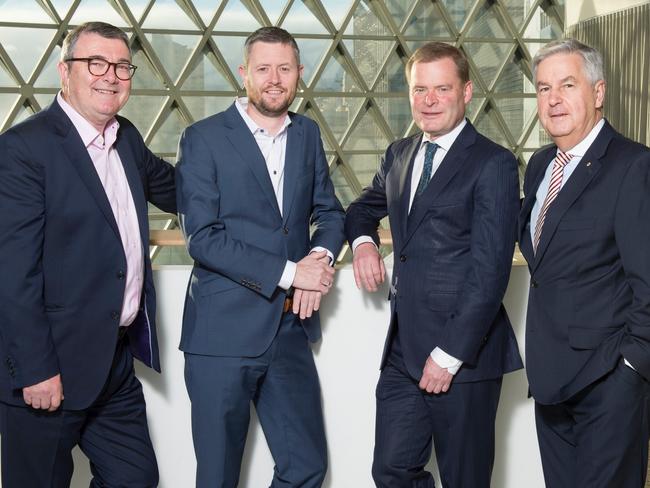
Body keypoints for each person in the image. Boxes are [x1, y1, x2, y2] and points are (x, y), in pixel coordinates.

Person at [0, 21, 176, 488]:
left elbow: (180, 191)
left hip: (113, 366)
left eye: (121, 66)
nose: (110, 76)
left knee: (135, 478)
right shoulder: (23, 149)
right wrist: (36, 370)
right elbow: (12, 273)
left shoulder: (128, 138)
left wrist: (238, 140)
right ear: (65, 71)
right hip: (48, 367)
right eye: (95, 63)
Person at [345, 42, 523, 488]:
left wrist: (448, 356)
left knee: (465, 478)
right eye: (419, 89)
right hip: (404, 351)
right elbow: (360, 211)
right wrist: (365, 243)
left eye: (441, 88)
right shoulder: (399, 155)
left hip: (463, 352)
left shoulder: (494, 164)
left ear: (466, 92)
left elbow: (489, 271)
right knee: (391, 470)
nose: (428, 100)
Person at [176, 26, 345, 488]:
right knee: (218, 476)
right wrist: (295, 274)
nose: (275, 78)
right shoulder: (202, 138)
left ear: (299, 74)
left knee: (306, 466)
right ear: (243, 73)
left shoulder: (307, 133)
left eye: (285, 68)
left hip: (288, 331)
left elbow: (329, 212)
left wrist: (322, 256)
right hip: (221, 337)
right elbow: (203, 238)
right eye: (264, 68)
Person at [519, 38, 650, 488]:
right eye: (542, 88)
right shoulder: (540, 166)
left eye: (567, 84)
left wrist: (631, 369)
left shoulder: (634, 166)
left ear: (598, 93)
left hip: (608, 381)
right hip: (550, 380)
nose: (553, 99)